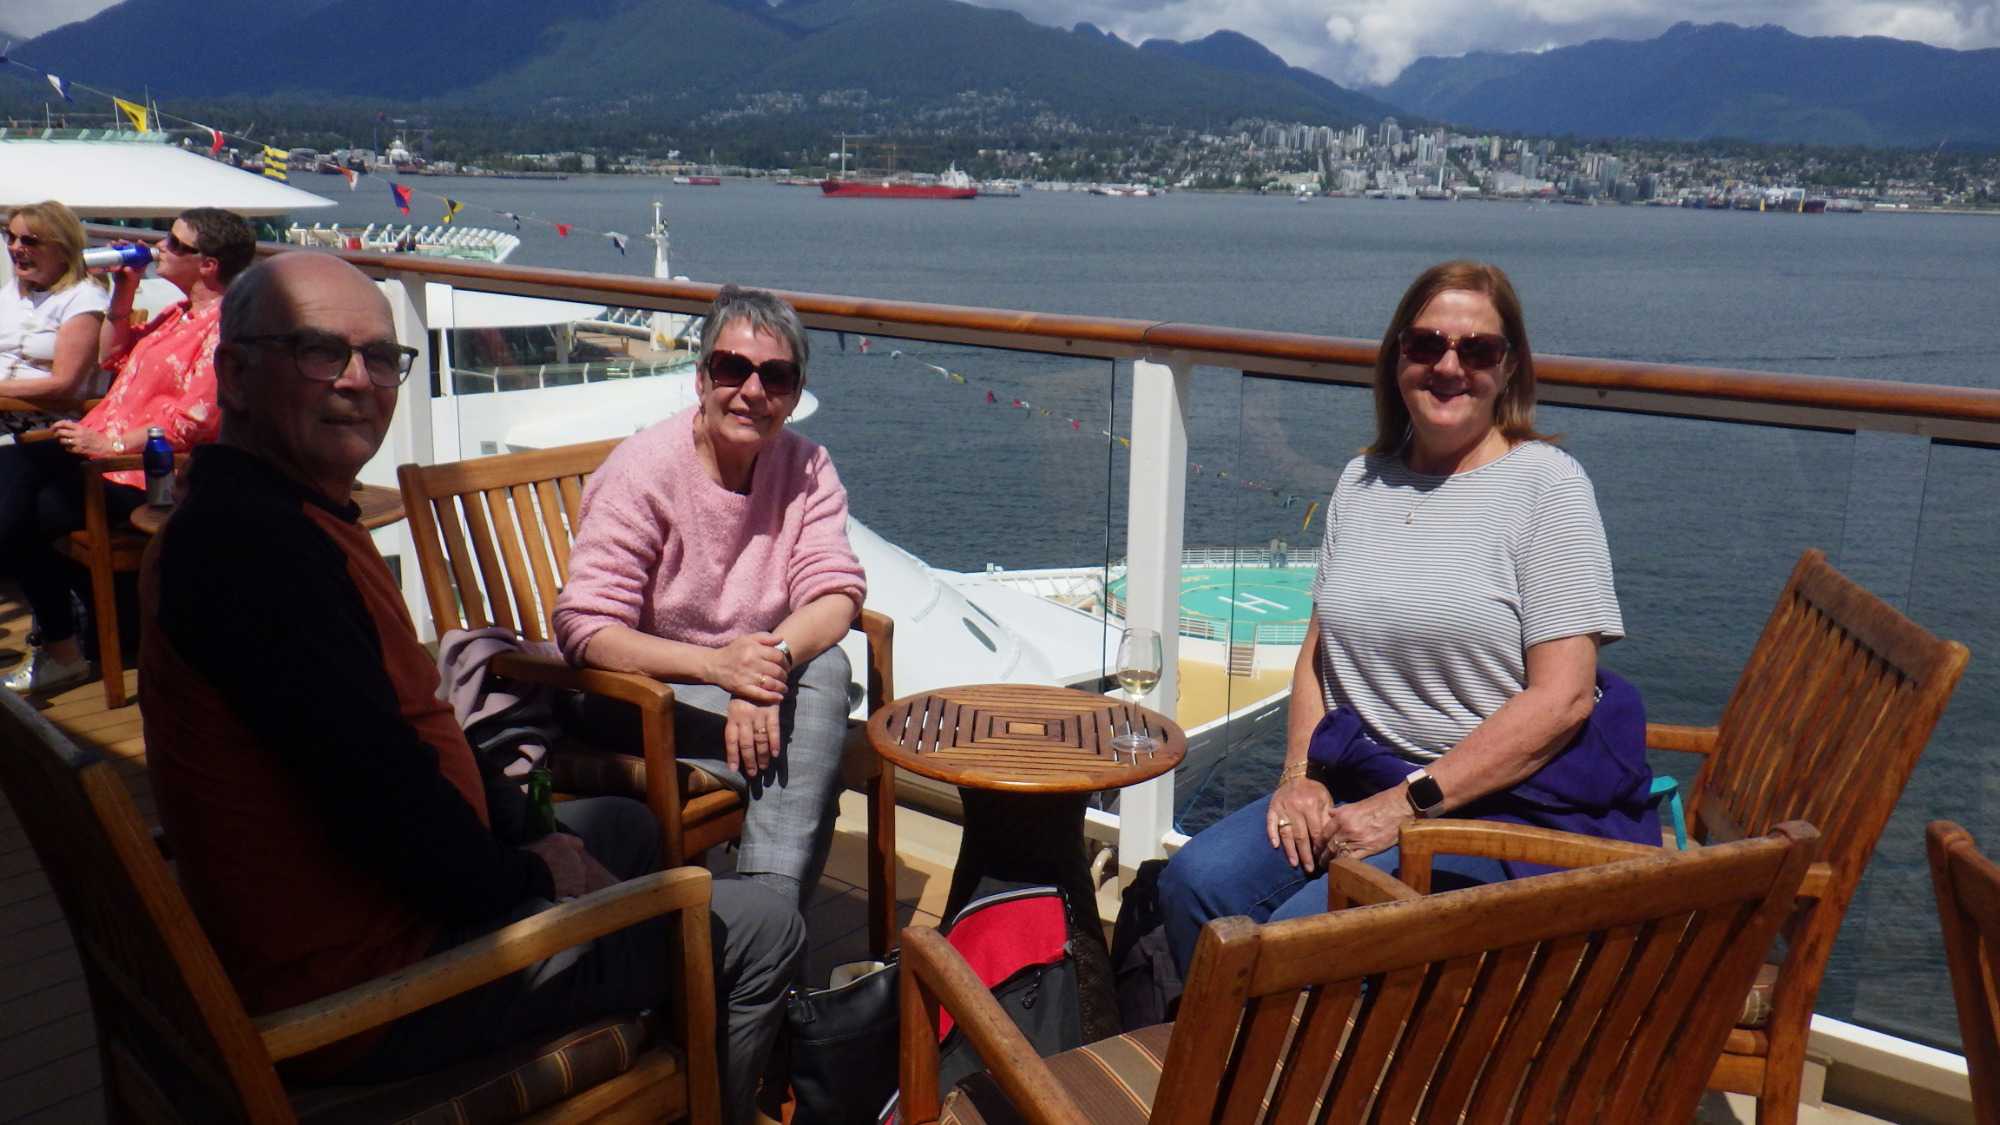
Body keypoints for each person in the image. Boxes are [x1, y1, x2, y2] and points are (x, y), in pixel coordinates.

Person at [140, 252, 803, 1121]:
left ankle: (652, 1046)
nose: (357, 380)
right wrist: (531, 870)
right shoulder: (256, 557)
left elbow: (383, 764)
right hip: (371, 990)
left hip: (358, 917)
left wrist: (528, 835)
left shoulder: (263, 517)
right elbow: (391, 819)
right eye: (319, 351)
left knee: (625, 827)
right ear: (234, 372)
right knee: (762, 928)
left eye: (381, 357)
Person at [1157, 260, 1647, 974]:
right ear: (1397, 360)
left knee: (1304, 938)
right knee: (1193, 883)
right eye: (1426, 345)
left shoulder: (1547, 487)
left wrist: (1406, 804)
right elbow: (1318, 651)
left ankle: (1295, 1051)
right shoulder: (1363, 481)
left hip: (1489, 806)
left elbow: (1564, 697)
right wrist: (1298, 775)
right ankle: (1222, 1044)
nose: (1449, 366)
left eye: (1476, 350)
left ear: (1509, 368)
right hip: (1360, 777)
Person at [554, 285, 866, 908]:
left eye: (775, 376)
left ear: (794, 394)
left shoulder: (806, 467)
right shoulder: (644, 470)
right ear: (701, 379)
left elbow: (835, 592)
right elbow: (586, 627)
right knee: (813, 742)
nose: (752, 391)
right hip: (640, 690)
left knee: (823, 677)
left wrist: (760, 675)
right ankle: (770, 922)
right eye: (732, 368)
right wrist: (719, 668)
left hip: (744, 683)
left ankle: (760, 924)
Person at [0, 206, 254, 694]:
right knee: (9, 475)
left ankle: (62, 648)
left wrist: (110, 443)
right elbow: (112, 355)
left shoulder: (225, 329)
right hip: (93, 451)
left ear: (208, 264)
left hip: (141, 471)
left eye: (174, 243)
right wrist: (125, 289)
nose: (160, 247)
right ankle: (63, 644)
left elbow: (193, 420)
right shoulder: (177, 313)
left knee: (20, 512)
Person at [0, 201, 108, 437]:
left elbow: (63, 385)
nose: (15, 247)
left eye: (29, 241)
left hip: (43, 422)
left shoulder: (84, 297)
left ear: (62, 249)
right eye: (11, 237)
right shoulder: (15, 289)